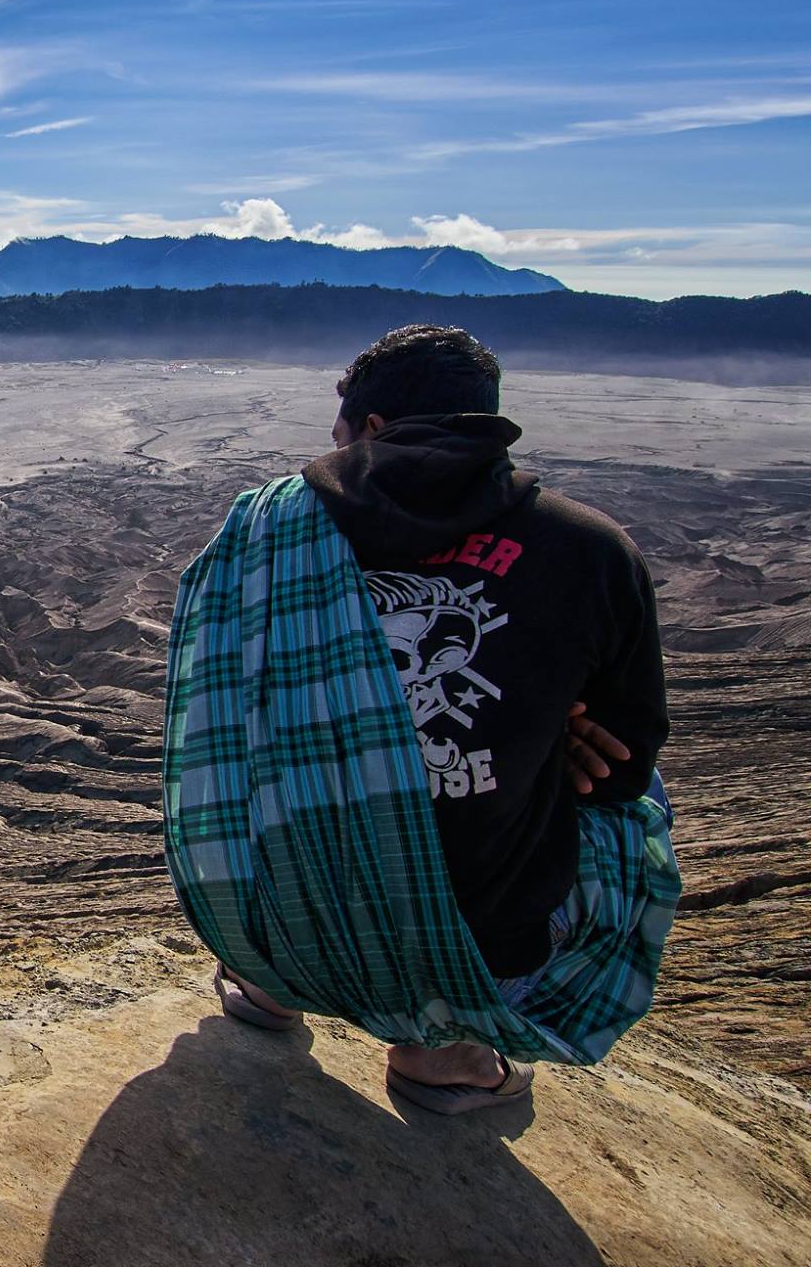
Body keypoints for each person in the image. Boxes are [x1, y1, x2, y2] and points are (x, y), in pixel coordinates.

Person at [178, 324, 672, 1114]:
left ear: (371, 429)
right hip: (483, 954)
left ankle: (268, 981)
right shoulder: (592, 551)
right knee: (644, 813)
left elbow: (208, 707)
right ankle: (445, 1051)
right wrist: (541, 738)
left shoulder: (268, 530)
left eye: (338, 435)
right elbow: (625, 769)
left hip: (282, 923)